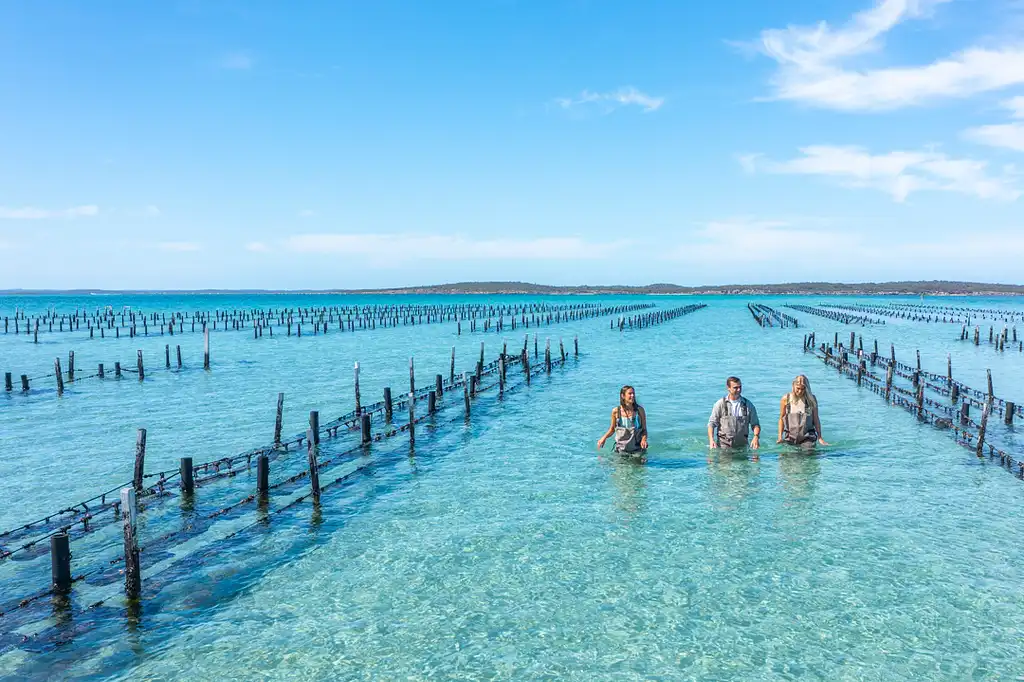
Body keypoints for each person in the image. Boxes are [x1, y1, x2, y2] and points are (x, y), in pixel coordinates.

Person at [708, 377, 760, 449]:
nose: (739, 390)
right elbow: (711, 424)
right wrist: (711, 440)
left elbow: (755, 424)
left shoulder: (748, 405)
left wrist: (756, 437)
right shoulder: (720, 404)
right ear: (728, 388)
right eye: (735, 388)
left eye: (740, 387)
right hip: (724, 446)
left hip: (742, 446)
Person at [777, 374, 829, 446]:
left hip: (808, 437)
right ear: (793, 386)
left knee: (808, 451)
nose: (800, 391)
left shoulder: (812, 399)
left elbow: (816, 419)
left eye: (803, 388)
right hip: (790, 436)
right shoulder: (786, 399)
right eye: (798, 388)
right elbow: (781, 418)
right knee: (789, 455)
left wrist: (820, 437)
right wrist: (780, 437)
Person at [597, 385, 648, 453]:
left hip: (637, 449)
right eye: (630, 393)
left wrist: (644, 440)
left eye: (633, 393)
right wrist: (604, 438)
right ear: (623, 396)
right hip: (621, 449)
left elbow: (644, 430)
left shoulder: (639, 411)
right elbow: (612, 430)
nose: (632, 395)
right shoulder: (616, 411)